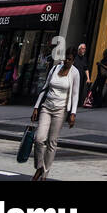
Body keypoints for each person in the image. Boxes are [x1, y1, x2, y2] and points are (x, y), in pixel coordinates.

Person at [30, 46, 80, 181]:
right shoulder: (54, 68)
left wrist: (73, 114)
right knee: (39, 139)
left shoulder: (75, 73)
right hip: (46, 107)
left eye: (69, 59)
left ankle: (44, 174)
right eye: (65, 58)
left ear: (73, 60)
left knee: (52, 142)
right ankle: (39, 167)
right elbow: (45, 87)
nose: (66, 61)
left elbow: (75, 95)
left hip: (61, 110)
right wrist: (36, 107)